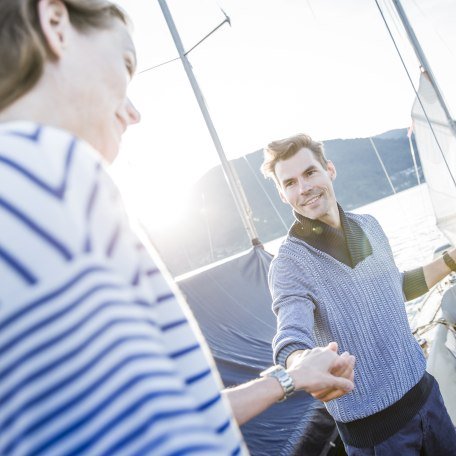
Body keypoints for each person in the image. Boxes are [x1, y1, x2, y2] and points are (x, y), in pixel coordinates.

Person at [0, 2, 356, 455]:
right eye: (125, 65)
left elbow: (171, 409)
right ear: (55, 23)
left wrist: (288, 379)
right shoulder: (53, 169)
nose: (133, 113)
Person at [261, 132, 456, 454]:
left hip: (427, 397)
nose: (304, 187)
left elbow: (398, 287)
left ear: (329, 170)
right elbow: (290, 336)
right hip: (378, 438)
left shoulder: (369, 226)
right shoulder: (288, 265)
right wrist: (299, 361)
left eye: (310, 172)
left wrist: (450, 260)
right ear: (283, 195)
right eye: (290, 183)